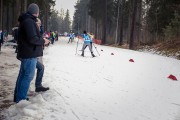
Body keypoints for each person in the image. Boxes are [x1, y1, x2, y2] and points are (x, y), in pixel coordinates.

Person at [14, 3, 50, 103]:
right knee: (27, 76)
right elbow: (32, 39)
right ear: (36, 12)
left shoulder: (27, 20)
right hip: (29, 54)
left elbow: (31, 37)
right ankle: (21, 99)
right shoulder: (29, 21)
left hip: (27, 53)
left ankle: (18, 97)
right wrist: (43, 41)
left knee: (23, 75)